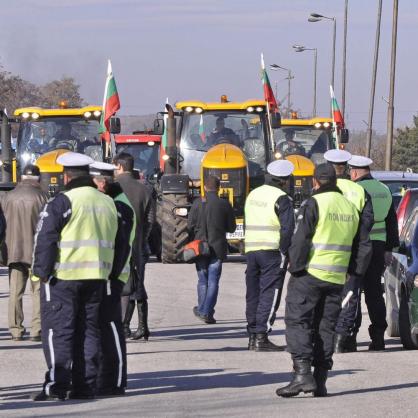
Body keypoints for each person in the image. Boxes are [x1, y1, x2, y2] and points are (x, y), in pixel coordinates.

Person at [31, 152, 122, 401]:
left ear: (66, 175)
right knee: (88, 331)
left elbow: (46, 239)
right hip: (97, 277)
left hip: (63, 277)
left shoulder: (63, 201)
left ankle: (56, 386)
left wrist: (41, 273)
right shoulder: (107, 203)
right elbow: (119, 241)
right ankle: (84, 386)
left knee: (58, 332)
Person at [276, 163, 371, 398]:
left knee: (298, 321)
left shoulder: (314, 203)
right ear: (336, 182)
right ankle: (320, 380)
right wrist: (354, 273)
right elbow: (363, 244)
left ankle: (301, 376)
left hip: (310, 274)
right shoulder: (349, 207)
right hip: (337, 278)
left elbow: (301, 239)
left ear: (315, 182)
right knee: (325, 327)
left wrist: (295, 268)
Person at [89, 162, 135, 396]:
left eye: (94, 183)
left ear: (103, 183)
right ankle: (103, 377)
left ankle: (114, 380)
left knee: (110, 328)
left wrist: (112, 274)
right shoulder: (115, 202)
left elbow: (122, 245)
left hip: (114, 275)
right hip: (108, 273)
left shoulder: (119, 206)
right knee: (102, 327)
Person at [347, 155, 399, 351]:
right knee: (374, 292)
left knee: (353, 291)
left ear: (354, 172)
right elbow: (391, 221)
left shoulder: (355, 189)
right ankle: (378, 336)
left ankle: (350, 337)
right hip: (378, 247)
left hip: (358, 246)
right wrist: (389, 249)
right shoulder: (384, 189)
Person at [324, 149, 374, 353]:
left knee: (324, 294)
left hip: (325, 250)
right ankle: (340, 339)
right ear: (345, 167)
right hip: (352, 249)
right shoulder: (359, 191)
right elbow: (367, 222)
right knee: (350, 295)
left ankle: (325, 335)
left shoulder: (323, 190)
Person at [244, 159, 294, 351]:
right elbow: (288, 229)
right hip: (272, 250)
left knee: (253, 293)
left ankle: (252, 335)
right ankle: (261, 336)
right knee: (270, 292)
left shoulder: (253, 194)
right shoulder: (282, 198)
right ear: (284, 180)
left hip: (251, 250)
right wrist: (286, 251)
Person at [1, 165, 48, 342]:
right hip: (37, 252)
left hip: (14, 251)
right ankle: (37, 330)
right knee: (37, 292)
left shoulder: (8, 197)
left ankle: (15, 330)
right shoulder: (43, 196)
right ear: (38, 178)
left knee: (15, 292)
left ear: (21, 177)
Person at [113, 152, 156, 341]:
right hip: (138, 247)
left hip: (114, 247)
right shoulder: (144, 189)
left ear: (120, 167)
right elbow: (150, 219)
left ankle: (122, 326)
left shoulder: (112, 189)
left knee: (119, 286)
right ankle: (138, 326)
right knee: (136, 284)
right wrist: (141, 237)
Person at [188, 176, 236, 324]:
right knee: (213, 280)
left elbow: (189, 225)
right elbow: (232, 228)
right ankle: (206, 311)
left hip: (200, 248)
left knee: (203, 280)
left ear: (204, 187)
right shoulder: (224, 204)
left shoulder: (197, 203)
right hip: (218, 247)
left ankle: (203, 310)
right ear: (219, 187)